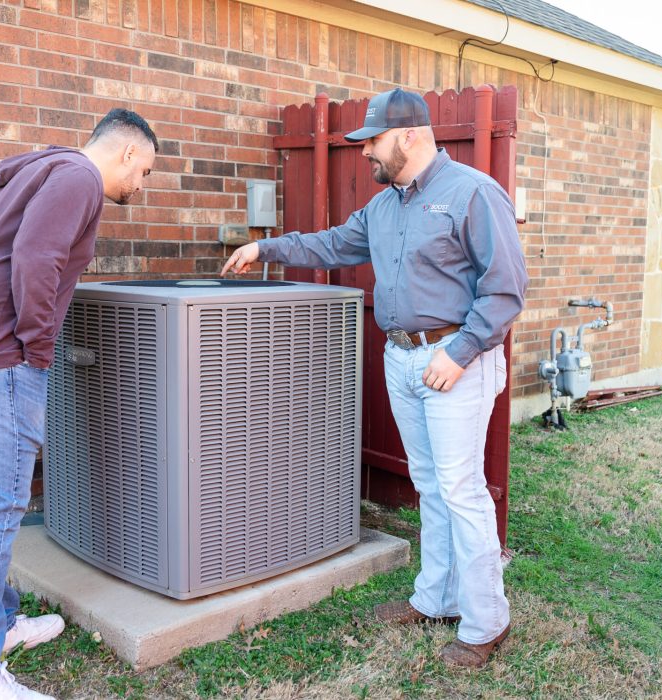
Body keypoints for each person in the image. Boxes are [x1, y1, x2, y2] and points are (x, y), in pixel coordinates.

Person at [221, 88, 528, 670]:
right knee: (430, 484)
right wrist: (264, 248)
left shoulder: (473, 193)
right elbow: (331, 243)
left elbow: (506, 288)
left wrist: (459, 352)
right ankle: (436, 599)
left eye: (374, 141)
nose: (365, 152)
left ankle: (487, 621)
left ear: (409, 135)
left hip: (455, 361)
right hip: (403, 358)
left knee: (461, 490)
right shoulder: (384, 208)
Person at [0, 109, 158, 700]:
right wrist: (38, 349)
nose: (142, 184)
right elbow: (35, 259)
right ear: (127, 153)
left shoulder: (51, 171)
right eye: (145, 171)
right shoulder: (79, 177)